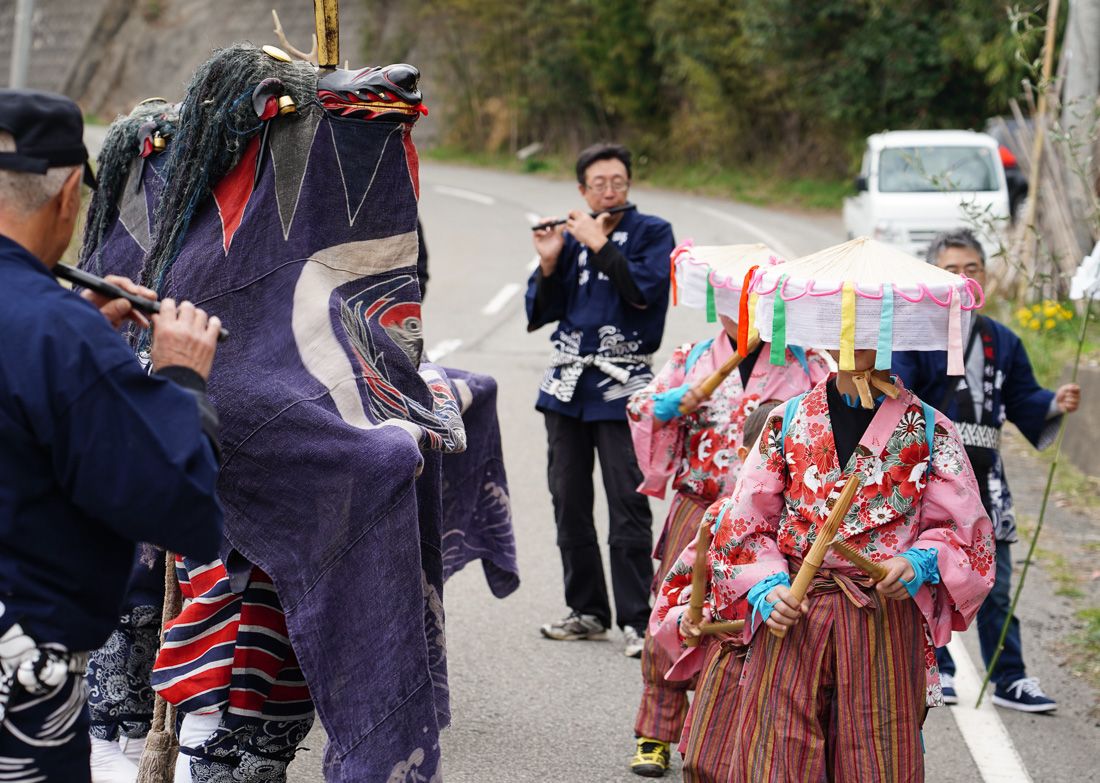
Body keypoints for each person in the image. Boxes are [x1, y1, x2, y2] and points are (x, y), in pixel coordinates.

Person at [660, 237, 995, 781]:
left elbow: (963, 529)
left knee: (877, 751)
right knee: (780, 750)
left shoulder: (933, 429)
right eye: (842, 325)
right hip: (795, 607)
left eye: (866, 329)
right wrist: (766, 588)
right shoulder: (787, 420)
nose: (852, 341)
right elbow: (746, 518)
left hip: (883, 610)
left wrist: (917, 564)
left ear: (887, 337)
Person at [0, 88, 224, 783]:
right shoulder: (58, 336)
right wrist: (183, 380)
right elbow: (180, 506)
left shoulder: (57, 328)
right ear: (70, 194)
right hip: (21, 677)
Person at [625, 310, 827, 777]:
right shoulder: (693, 357)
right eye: (734, 293)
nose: (744, 306)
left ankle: (722, 732)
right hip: (701, 504)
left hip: (776, 517)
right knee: (676, 609)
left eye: (756, 295)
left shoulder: (809, 363)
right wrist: (674, 402)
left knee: (752, 624)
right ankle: (656, 731)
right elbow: (642, 409)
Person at [893, 228, 1080, 712]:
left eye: (971, 268)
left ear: (985, 275)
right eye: (951, 270)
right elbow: (899, 400)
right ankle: (938, 668)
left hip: (987, 479)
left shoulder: (1004, 340)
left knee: (994, 580)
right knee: (929, 575)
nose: (962, 278)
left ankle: (1009, 675)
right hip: (929, 479)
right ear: (934, 276)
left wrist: (1053, 402)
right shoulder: (916, 335)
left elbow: (1023, 401)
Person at [526, 143, 675, 654]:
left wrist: (598, 242)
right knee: (568, 498)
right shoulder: (568, 237)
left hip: (623, 385)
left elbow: (645, 293)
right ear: (582, 190)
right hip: (567, 383)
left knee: (627, 501)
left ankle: (638, 619)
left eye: (618, 181)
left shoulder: (653, 233)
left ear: (628, 184)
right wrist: (548, 264)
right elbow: (542, 312)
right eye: (599, 183)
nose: (610, 189)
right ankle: (587, 609)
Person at [647, 399, 781, 782]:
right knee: (708, 764)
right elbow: (678, 592)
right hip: (731, 659)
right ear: (745, 455)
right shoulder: (721, 515)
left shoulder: (810, 522)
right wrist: (692, 618)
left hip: (792, 663)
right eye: (768, 454)